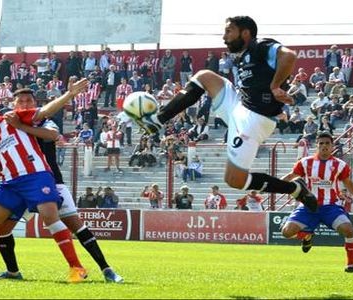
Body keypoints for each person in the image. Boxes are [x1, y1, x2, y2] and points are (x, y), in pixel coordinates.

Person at [129, 16, 318, 212]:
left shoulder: (261, 46)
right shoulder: (241, 57)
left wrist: (276, 86)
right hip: (239, 104)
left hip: (254, 119)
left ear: (245, 33)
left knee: (235, 180)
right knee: (204, 76)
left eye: (229, 31)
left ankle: (294, 189)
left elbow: (289, 56)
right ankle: (157, 120)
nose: (224, 37)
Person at [0, 86, 123, 282]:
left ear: (35, 104)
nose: (25, 104)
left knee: (76, 225)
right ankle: (13, 271)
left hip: (49, 181)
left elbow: (52, 136)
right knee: (2, 230)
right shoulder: (6, 126)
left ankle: (107, 269)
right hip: (19, 186)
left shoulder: (44, 120)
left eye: (28, 101)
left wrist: (23, 127)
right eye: (21, 101)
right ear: (14, 105)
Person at [0, 79, 90, 283]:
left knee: (51, 218)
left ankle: (76, 268)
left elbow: (44, 112)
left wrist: (69, 95)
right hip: (11, 184)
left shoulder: (12, 118)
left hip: (37, 176)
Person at [280, 131, 353, 273]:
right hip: (308, 206)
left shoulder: (340, 165)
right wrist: (272, 185)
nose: (324, 146)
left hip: (331, 206)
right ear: (316, 146)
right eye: (321, 143)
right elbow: (290, 176)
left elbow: (349, 184)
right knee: (287, 233)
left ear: (332, 146)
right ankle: (307, 235)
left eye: (327, 143)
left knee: (348, 230)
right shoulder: (305, 162)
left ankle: (351, 265)